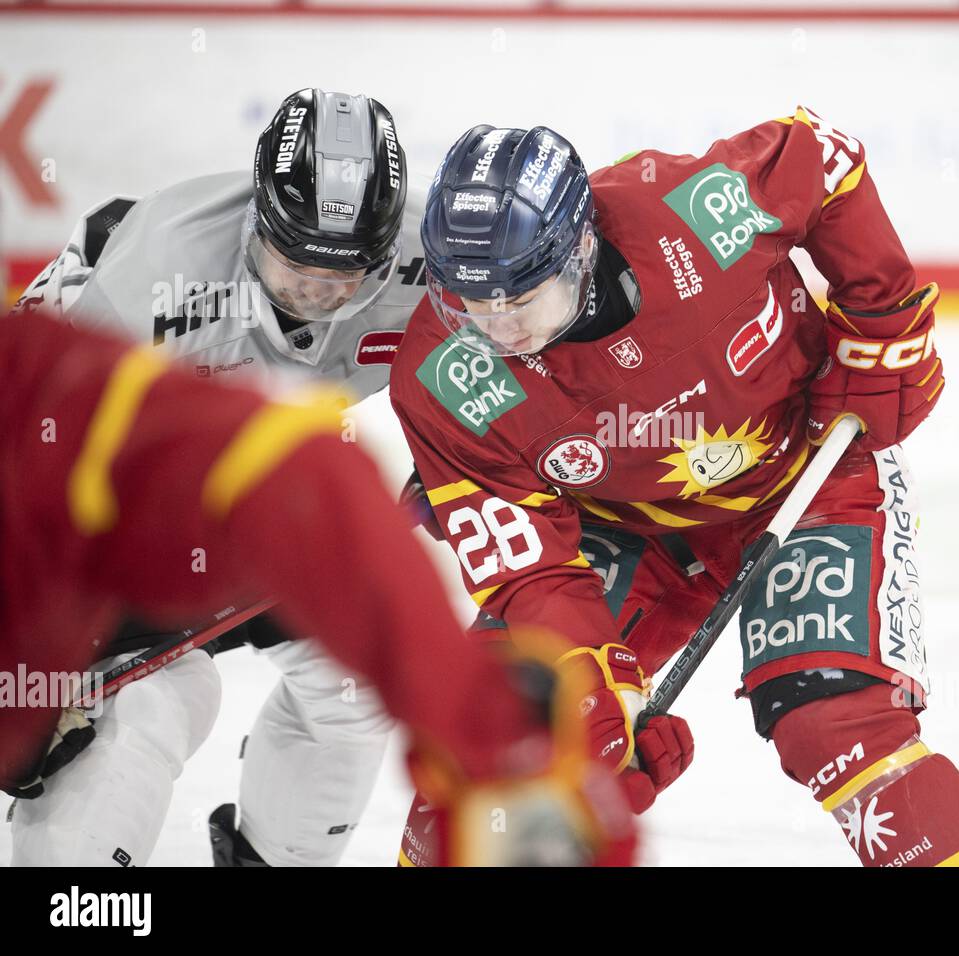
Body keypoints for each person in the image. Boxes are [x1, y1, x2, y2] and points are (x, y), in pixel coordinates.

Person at [389, 112, 959, 866]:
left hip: (801, 475)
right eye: (468, 303)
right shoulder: (441, 376)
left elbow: (826, 160)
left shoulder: (691, 210)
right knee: (505, 730)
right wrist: (593, 688)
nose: (494, 326)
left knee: (832, 719)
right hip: (618, 525)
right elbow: (529, 567)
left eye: (518, 298)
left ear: (581, 252)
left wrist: (883, 314)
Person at [0, 312, 635, 867]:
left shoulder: (33, 394)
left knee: (328, 696)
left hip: (149, 575)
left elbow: (293, 475)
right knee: (157, 707)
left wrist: (492, 736)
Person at [8, 88, 432, 866]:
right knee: (151, 706)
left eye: (344, 276)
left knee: (355, 682)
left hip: (270, 501)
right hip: (113, 515)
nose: (315, 294)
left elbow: (525, 365)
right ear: (255, 223)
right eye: (294, 263)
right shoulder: (146, 276)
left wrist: (458, 462)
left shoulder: (431, 260)